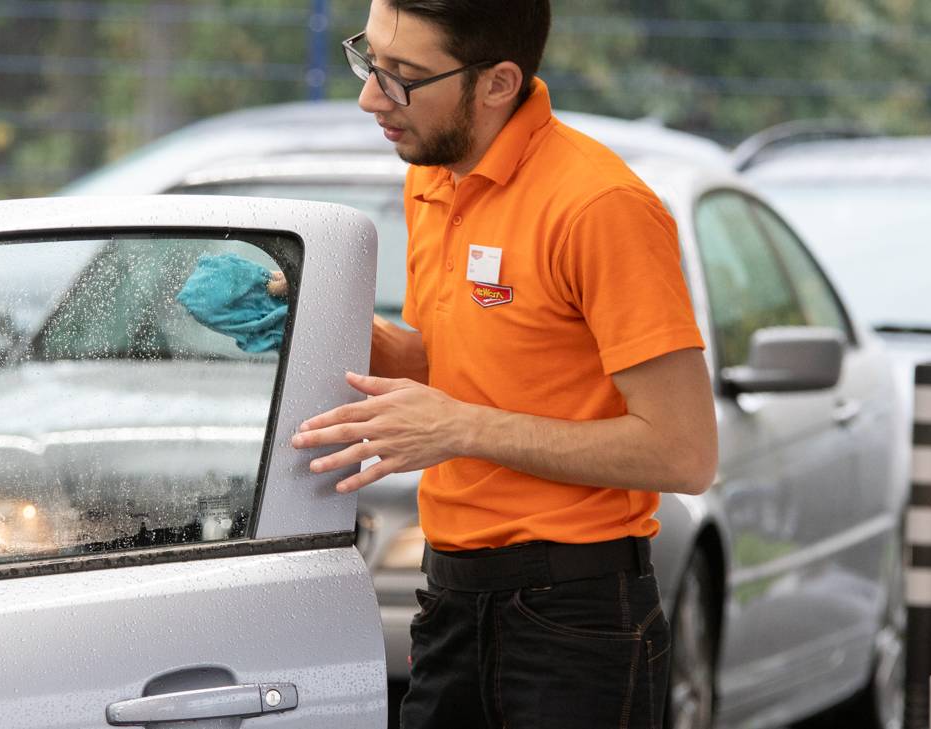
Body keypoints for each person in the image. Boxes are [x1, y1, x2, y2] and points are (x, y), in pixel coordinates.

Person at [290, 0, 719, 727]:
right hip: (451, 598)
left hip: (576, 619)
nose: (369, 98)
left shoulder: (600, 205)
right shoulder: (432, 175)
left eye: (403, 78)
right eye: (369, 60)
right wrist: (324, 323)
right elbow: (460, 366)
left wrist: (460, 429)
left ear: (496, 84)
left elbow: (684, 451)